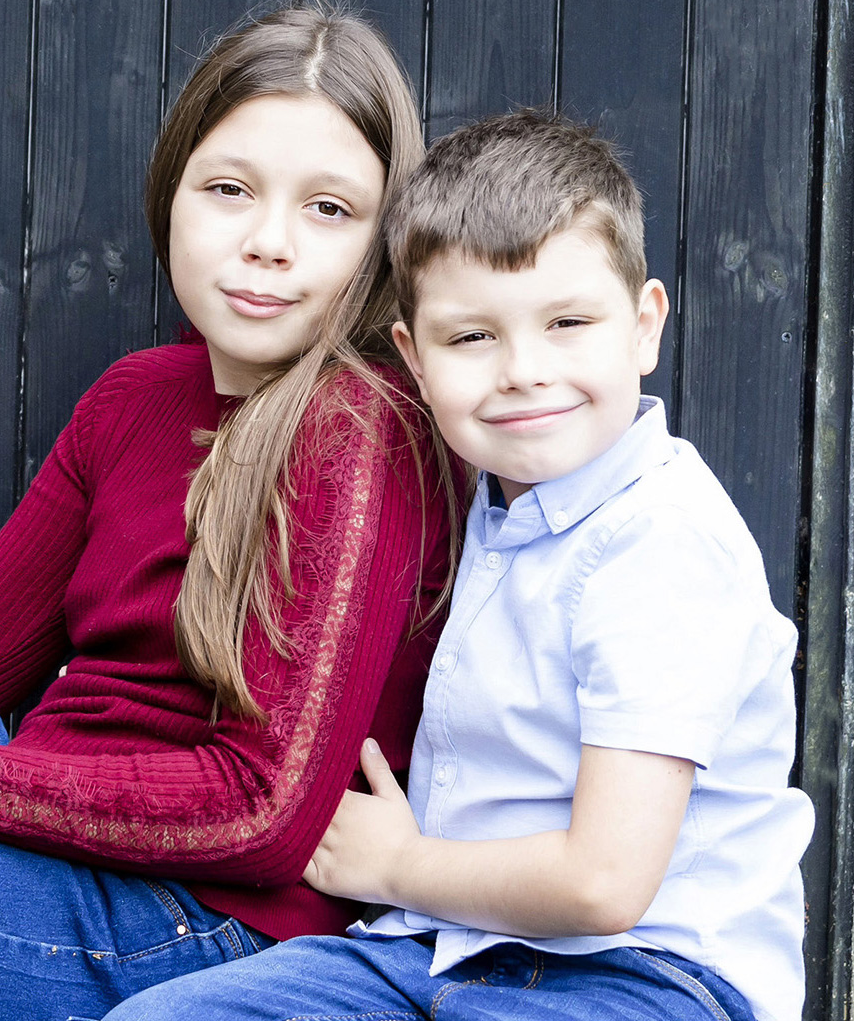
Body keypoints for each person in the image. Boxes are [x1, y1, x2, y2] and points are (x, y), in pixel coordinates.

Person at [0, 4, 458, 1021]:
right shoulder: (134, 397)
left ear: (383, 243)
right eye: (229, 190)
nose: (269, 243)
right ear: (172, 196)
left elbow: (262, 816)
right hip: (27, 848)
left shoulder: (360, 429)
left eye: (329, 210)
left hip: (190, 924)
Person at [101, 109, 815, 1021]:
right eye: (472, 337)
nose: (522, 370)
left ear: (643, 326)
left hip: (641, 974)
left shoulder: (661, 541)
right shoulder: (487, 500)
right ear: (415, 357)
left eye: (567, 322)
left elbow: (604, 882)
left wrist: (396, 864)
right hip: (433, 947)